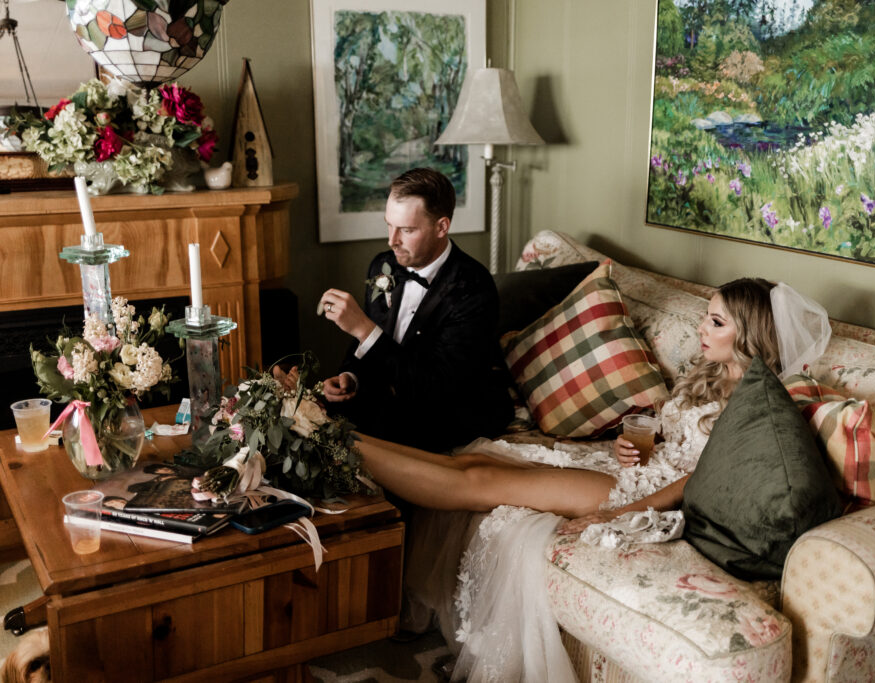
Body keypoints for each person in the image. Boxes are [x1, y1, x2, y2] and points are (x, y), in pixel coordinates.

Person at [354, 277, 831, 682]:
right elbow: (671, 441)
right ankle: (348, 439)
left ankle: (344, 448)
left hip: (646, 494)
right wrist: (630, 447)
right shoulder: (709, 374)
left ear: (749, 334)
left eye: (716, 322)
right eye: (706, 317)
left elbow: (695, 480)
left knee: (480, 482)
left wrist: (622, 511)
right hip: (634, 468)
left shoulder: (753, 405)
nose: (701, 328)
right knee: (476, 462)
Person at [316, 167, 513, 452]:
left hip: (448, 411)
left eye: (406, 230)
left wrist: (362, 327)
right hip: (391, 398)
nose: (391, 240)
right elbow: (369, 345)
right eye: (389, 225)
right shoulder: (382, 265)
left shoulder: (474, 287)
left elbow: (436, 387)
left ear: (441, 226)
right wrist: (352, 377)